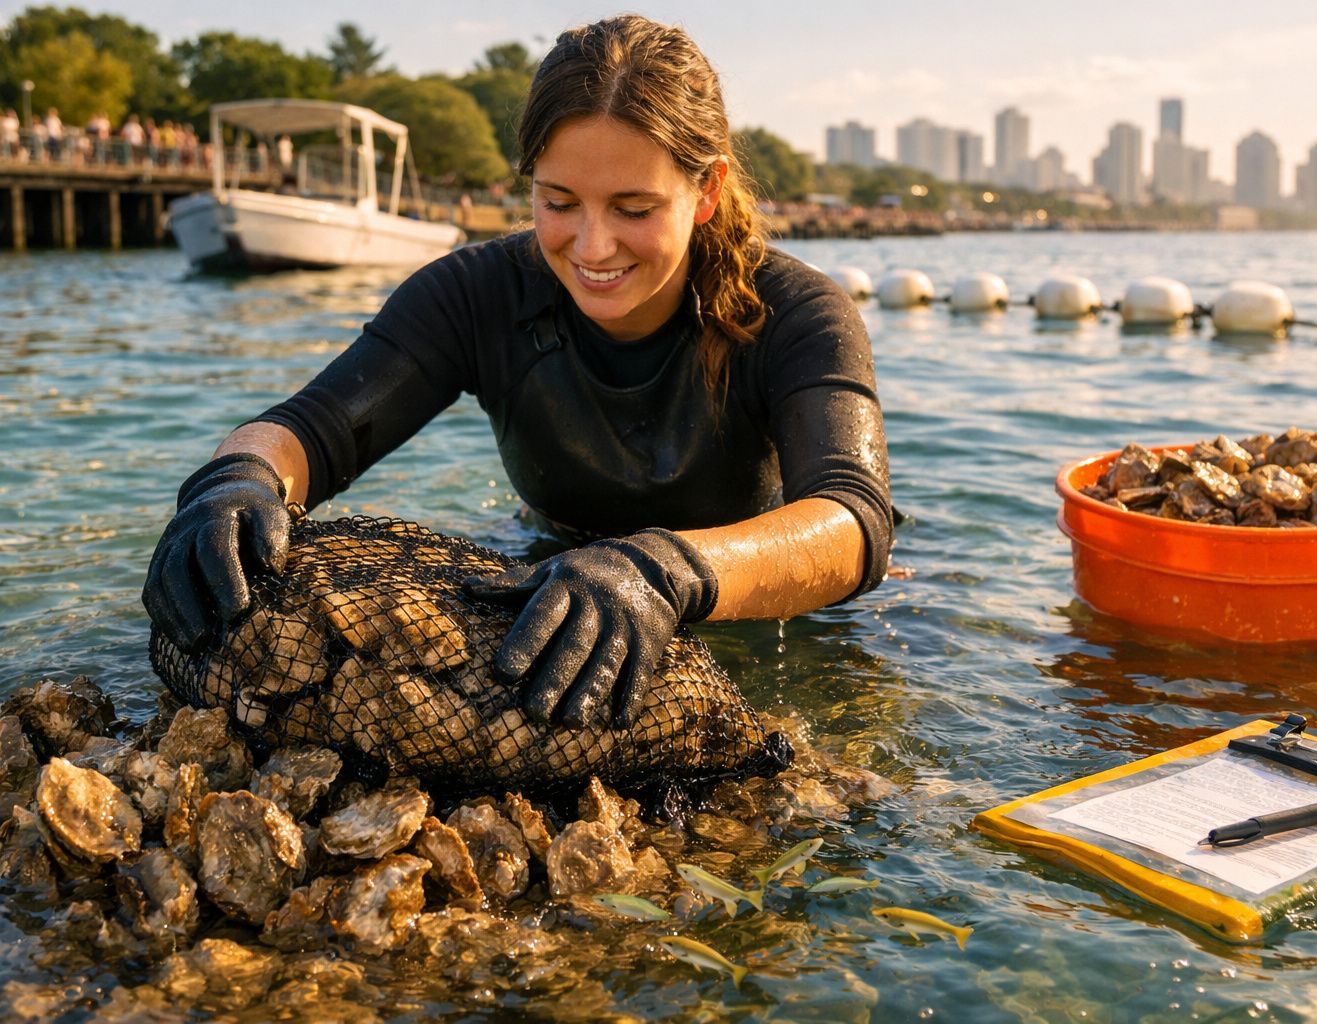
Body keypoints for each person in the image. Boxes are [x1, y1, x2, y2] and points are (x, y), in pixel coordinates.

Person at [142, 14, 893, 731]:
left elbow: (854, 523)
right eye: (559, 202)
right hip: (553, 563)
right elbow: (312, 428)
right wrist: (234, 479)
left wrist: (668, 570)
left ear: (707, 189)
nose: (594, 246)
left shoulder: (796, 311)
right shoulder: (476, 293)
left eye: (633, 208)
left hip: (757, 595)